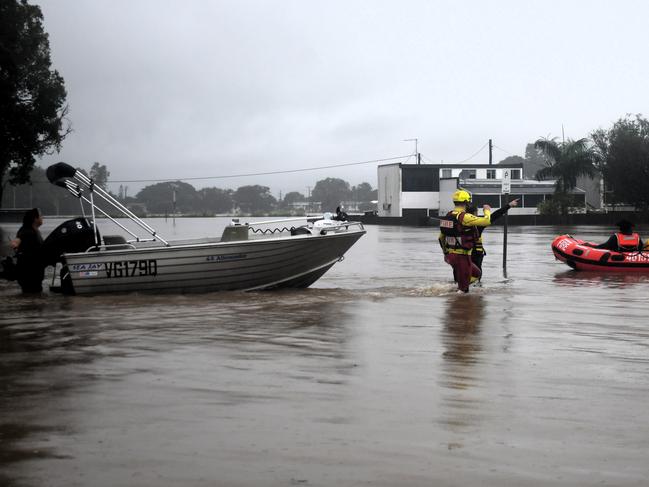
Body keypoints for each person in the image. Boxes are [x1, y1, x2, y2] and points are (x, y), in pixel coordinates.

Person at [438, 189, 491, 293]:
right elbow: (486, 221)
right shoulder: (464, 217)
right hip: (462, 256)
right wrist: (487, 210)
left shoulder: (448, 216)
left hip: (450, 256)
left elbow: (440, 238)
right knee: (463, 293)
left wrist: (446, 253)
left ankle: (456, 287)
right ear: (467, 202)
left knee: (476, 273)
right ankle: (457, 294)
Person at [468, 198, 519, 276]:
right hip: (476, 255)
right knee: (476, 275)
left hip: (462, 254)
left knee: (461, 274)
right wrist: (509, 205)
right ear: (475, 213)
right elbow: (495, 215)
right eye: (477, 212)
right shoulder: (478, 224)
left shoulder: (459, 222)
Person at [11, 208, 45, 293]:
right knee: (32, 295)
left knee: (32, 298)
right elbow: (17, 240)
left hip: (35, 273)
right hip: (28, 274)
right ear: (35, 219)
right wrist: (15, 244)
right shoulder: (26, 231)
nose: (42, 217)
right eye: (40, 216)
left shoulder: (36, 231)